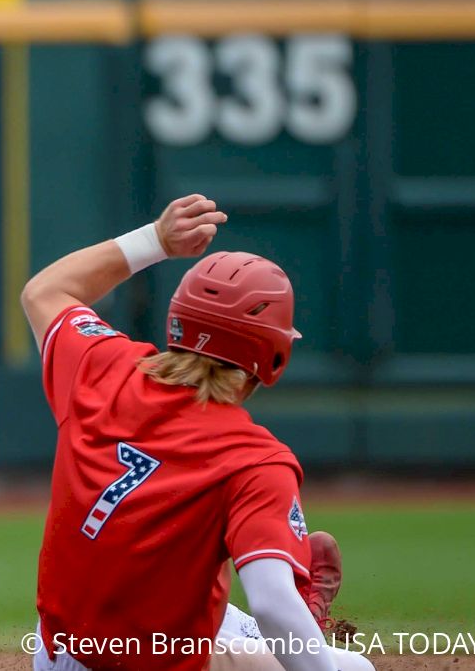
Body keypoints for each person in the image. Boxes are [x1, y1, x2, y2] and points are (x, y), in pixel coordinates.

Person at [19, 195, 372, 671]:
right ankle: (308, 622)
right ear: (271, 355)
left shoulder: (102, 367)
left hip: (57, 653)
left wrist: (156, 240)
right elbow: (271, 605)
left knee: (208, 603)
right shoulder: (254, 459)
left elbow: (44, 292)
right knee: (351, 668)